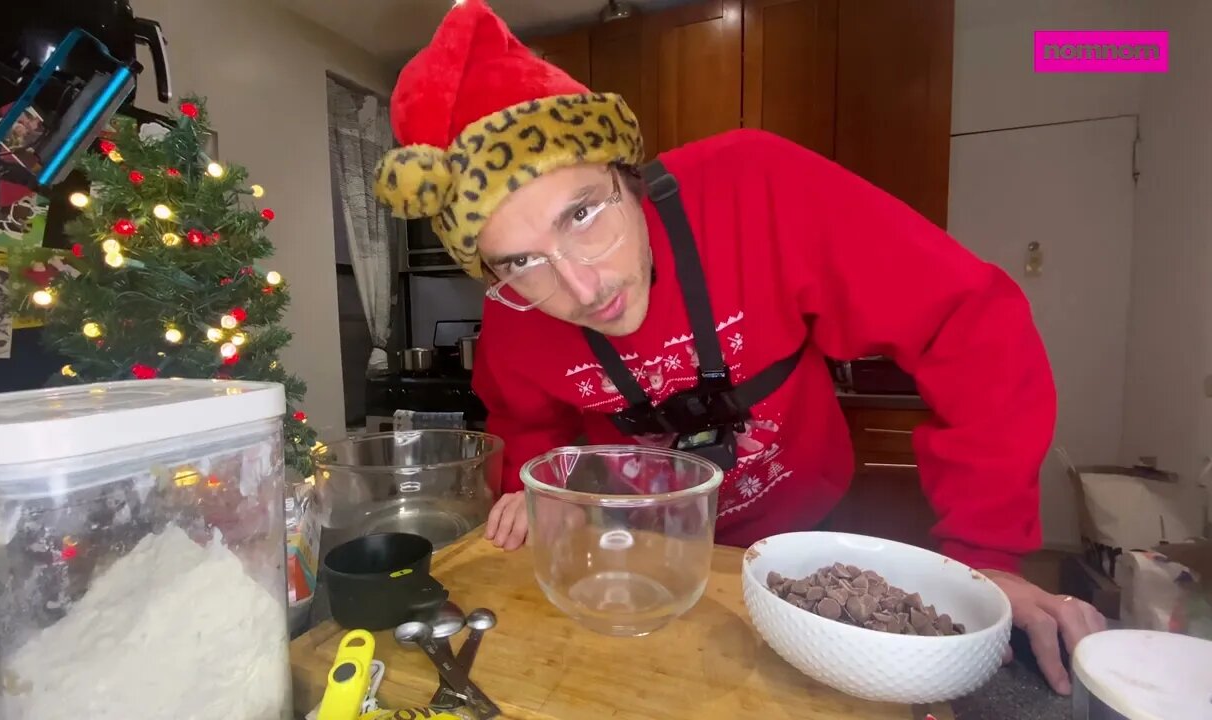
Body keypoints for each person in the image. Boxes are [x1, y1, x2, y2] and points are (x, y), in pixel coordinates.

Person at [373, 0, 1106, 696]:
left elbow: (972, 323)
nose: (582, 284)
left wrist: (985, 561)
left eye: (583, 214)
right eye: (521, 260)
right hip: (639, 561)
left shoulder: (758, 186)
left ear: (625, 173)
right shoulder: (512, 315)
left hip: (812, 538)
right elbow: (530, 429)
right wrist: (535, 493)